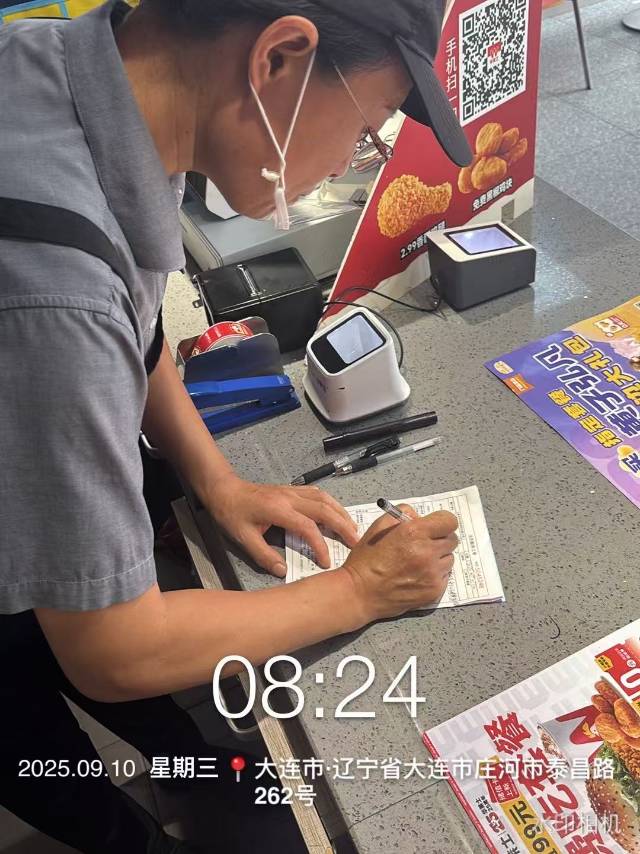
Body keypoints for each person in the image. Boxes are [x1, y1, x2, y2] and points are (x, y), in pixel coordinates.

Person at [0, 1, 470, 851]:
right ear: (278, 59)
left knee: (148, 712)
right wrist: (357, 591)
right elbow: (114, 651)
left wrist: (218, 481)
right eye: (364, 129)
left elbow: (132, 324)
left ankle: (201, 781)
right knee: (44, 754)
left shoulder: (70, 65)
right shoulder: (53, 294)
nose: (352, 159)